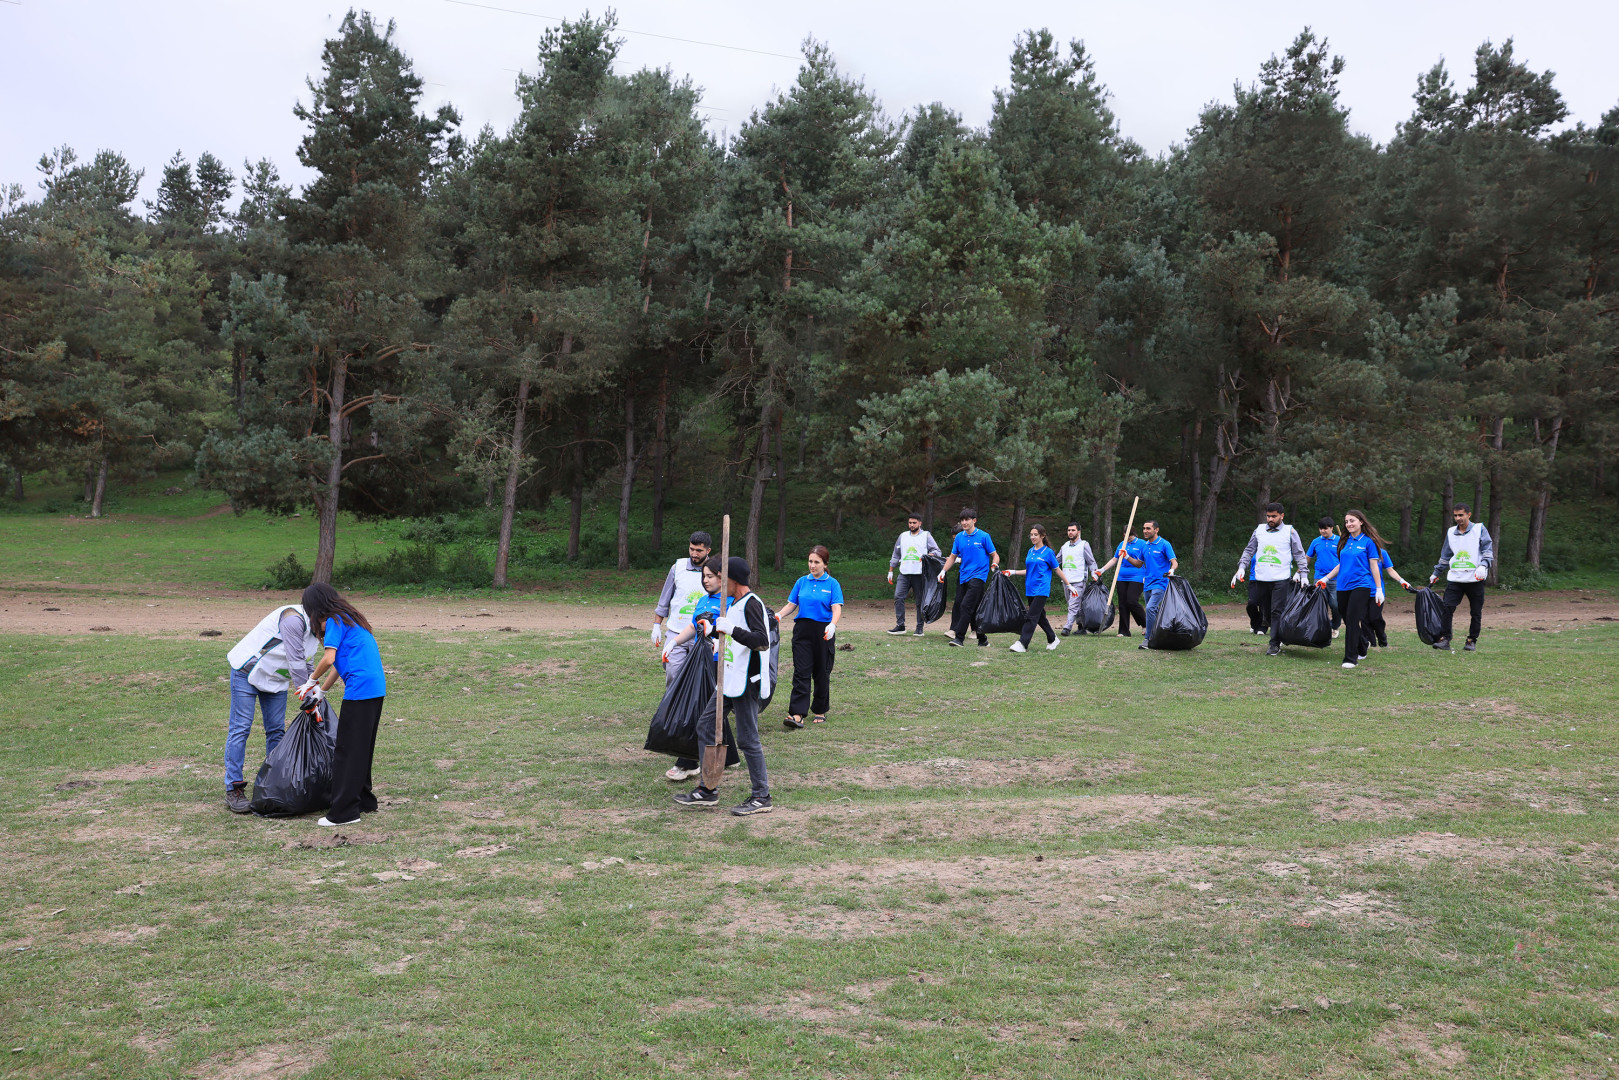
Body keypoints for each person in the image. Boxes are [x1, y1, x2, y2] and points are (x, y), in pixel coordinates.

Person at [675, 556, 774, 816]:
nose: (718, 582)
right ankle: (707, 789)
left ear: (733, 580)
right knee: (706, 725)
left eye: (722, 577)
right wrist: (716, 635)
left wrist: (732, 631)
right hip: (729, 678)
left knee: (747, 739)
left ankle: (762, 795)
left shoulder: (752, 604)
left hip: (746, 681)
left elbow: (762, 641)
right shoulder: (734, 604)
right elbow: (731, 639)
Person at [222, 602, 330, 813]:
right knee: (241, 728)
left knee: (276, 730)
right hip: (248, 672)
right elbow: (296, 661)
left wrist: (315, 693)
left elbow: (307, 663)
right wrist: (307, 697)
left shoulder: (315, 632)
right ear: (319, 613)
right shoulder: (292, 619)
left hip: (275, 680)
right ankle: (233, 788)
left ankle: (274, 785)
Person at [300, 583, 387, 827]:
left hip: (360, 689)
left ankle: (344, 813)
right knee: (361, 747)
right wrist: (322, 692)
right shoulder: (349, 618)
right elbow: (340, 662)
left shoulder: (334, 621)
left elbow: (328, 658)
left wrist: (311, 679)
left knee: (347, 751)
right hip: (375, 687)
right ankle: (365, 801)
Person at [657, 559, 730, 780]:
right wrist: (674, 642)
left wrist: (720, 638)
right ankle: (693, 760)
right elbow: (693, 625)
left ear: (721, 577)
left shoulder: (730, 602)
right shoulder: (703, 600)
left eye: (710, 577)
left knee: (709, 712)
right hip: (701, 661)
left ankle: (691, 761)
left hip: (721, 663)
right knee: (704, 711)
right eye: (703, 577)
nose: (705, 581)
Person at [651, 531, 712, 781]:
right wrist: (657, 624)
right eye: (691, 549)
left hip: (702, 637)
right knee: (674, 675)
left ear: (708, 550)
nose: (694, 554)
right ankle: (675, 716)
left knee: (701, 684)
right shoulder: (677, 566)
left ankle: (694, 724)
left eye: (699, 550)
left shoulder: (715, 570)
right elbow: (666, 595)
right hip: (676, 630)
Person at [777, 545, 844, 728]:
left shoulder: (832, 584)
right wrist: (779, 615)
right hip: (802, 631)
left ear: (825, 564)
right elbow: (792, 604)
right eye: (810, 561)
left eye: (816, 562)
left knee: (822, 672)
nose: (812, 565)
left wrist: (832, 624)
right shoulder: (801, 582)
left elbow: (836, 608)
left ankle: (820, 709)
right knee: (801, 672)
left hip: (823, 631)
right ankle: (797, 713)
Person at [1233, 502, 1310, 656]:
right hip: (1261, 578)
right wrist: (1242, 567)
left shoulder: (1290, 531)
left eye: (1274, 516)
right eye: (1268, 516)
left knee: (1277, 611)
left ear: (1282, 516)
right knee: (1266, 612)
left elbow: (1299, 554)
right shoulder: (1259, 530)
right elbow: (1249, 550)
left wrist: (1304, 575)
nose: (1270, 519)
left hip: (1281, 578)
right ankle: (1277, 631)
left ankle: (1274, 643)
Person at [1314, 509, 1386, 670]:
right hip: (1342, 586)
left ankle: (1350, 658)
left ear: (1361, 522)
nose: (1349, 524)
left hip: (1361, 585)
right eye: (1346, 521)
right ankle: (1362, 646)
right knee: (1348, 619)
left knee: (1353, 620)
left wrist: (1379, 589)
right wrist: (1325, 578)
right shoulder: (1344, 541)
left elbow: (1374, 566)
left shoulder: (1369, 542)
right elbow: (1341, 565)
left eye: (1352, 520)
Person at [1429, 502, 1494, 652]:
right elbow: (1445, 556)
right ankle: (1445, 639)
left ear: (1469, 515)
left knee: (1475, 612)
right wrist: (1436, 573)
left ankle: (1471, 640)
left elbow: (1487, 551)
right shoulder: (1451, 532)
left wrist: (1484, 565)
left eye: (1461, 515)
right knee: (1447, 608)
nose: (1458, 518)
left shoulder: (1479, 529)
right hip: (1455, 579)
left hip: (1475, 579)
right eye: (1455, 515)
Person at [1002, 524, 1074, 653]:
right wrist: (1012, 572)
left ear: (1042, 536)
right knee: (1040, 617)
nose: (1033, 537)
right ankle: (1052, 639)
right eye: (1031, 535)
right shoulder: (1030, 551)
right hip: (1030, 588)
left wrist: (1068, 585)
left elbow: (1057, 569)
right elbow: (1029, 571)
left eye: (1036, 534)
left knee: (1031, 617)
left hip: (1042, 589)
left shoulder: (1048, 552)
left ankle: (1023, 643)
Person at [937, 507, 999, 648]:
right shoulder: (959, 537)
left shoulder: (984, 536)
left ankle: (959, 638)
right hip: (963, 576)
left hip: (978, 576)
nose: (964, 522)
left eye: (967, 520)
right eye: (962, 520)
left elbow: (994, 555)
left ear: (974, 520)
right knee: (972, 608)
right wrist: (943, 571)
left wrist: (994, 563)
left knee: (965, 606)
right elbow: (953, 557)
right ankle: (982, 639)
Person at [887, 513, 941, 636]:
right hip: (904, 573)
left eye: (914, 523)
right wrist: (891, 570)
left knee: (919, 601)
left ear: (920, 523)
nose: (911, 525)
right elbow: (896, 554)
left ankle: (919, 628)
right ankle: (900, 625)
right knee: (898, 597)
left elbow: (937, 551)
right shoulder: (903, 536)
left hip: (920, 573)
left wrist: (928, 556)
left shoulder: (926, 535)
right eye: (910, 523)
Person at [1095, 530, 1148, 638]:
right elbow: (1115, 559)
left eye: (1128, 536)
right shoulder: (1122, 544)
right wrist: (1102, 569)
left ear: (1133, 534)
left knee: (1131, 601)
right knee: (1123, 604)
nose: (1126, 539)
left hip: (1137, 576)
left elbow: (1142, 561)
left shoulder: (1142, 543)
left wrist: (1127, 556)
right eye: (1124, 536)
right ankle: (1124, 631)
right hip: (1121, 577)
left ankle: (1146, 624)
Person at [1365, 542, 1417, 648]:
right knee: (1364, 618)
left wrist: (1402, 581)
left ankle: (1382, 639)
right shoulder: (1359, 553)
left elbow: (1390, 570)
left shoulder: (1382, 553)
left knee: (1375, 617)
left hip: (1377, 591)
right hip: (1361, 590)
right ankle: (1370, 642)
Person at [1137, 521, 1179, 650]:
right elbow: (1138, 564)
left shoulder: (1164, 544)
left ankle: (1148, 639)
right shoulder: (1144, 546)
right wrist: (1126, 556)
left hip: (1161, 582)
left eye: (1148, 528)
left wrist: (1172, 570)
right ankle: (1160, 637)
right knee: (1153, 611)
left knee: (1150, 608)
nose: (1145, 531)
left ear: (1156, 530)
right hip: (1147, 583)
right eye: (1144, 528)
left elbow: (1174, 562)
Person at [1057, 522, 1098, 636]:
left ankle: (1067, 628)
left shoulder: (1084, 545)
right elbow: (1056, 561)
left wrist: (1094, 573)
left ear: (1078, 532)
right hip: (1066, 580)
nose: (1070, 532)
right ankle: (1082, 627)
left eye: (1073, 530)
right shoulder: (1064, 546)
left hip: (1079, 580)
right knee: (1075, 606)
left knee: (1073, 605)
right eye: (1069, 530)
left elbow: (1091, 561)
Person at [1306, 517, 1343, 638]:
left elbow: (1346, 559)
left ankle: (1335, 626)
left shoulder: (1340, 541)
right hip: (1319, 578)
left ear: (1331, 528)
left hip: (1336, 579)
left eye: (1325, 529)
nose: (1323, 531)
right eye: (1321, 529)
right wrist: (1300, 572)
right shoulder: (1316, 541)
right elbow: (1307, 558)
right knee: (1320, 605)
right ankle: (1323, 628)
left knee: (1336, 605)